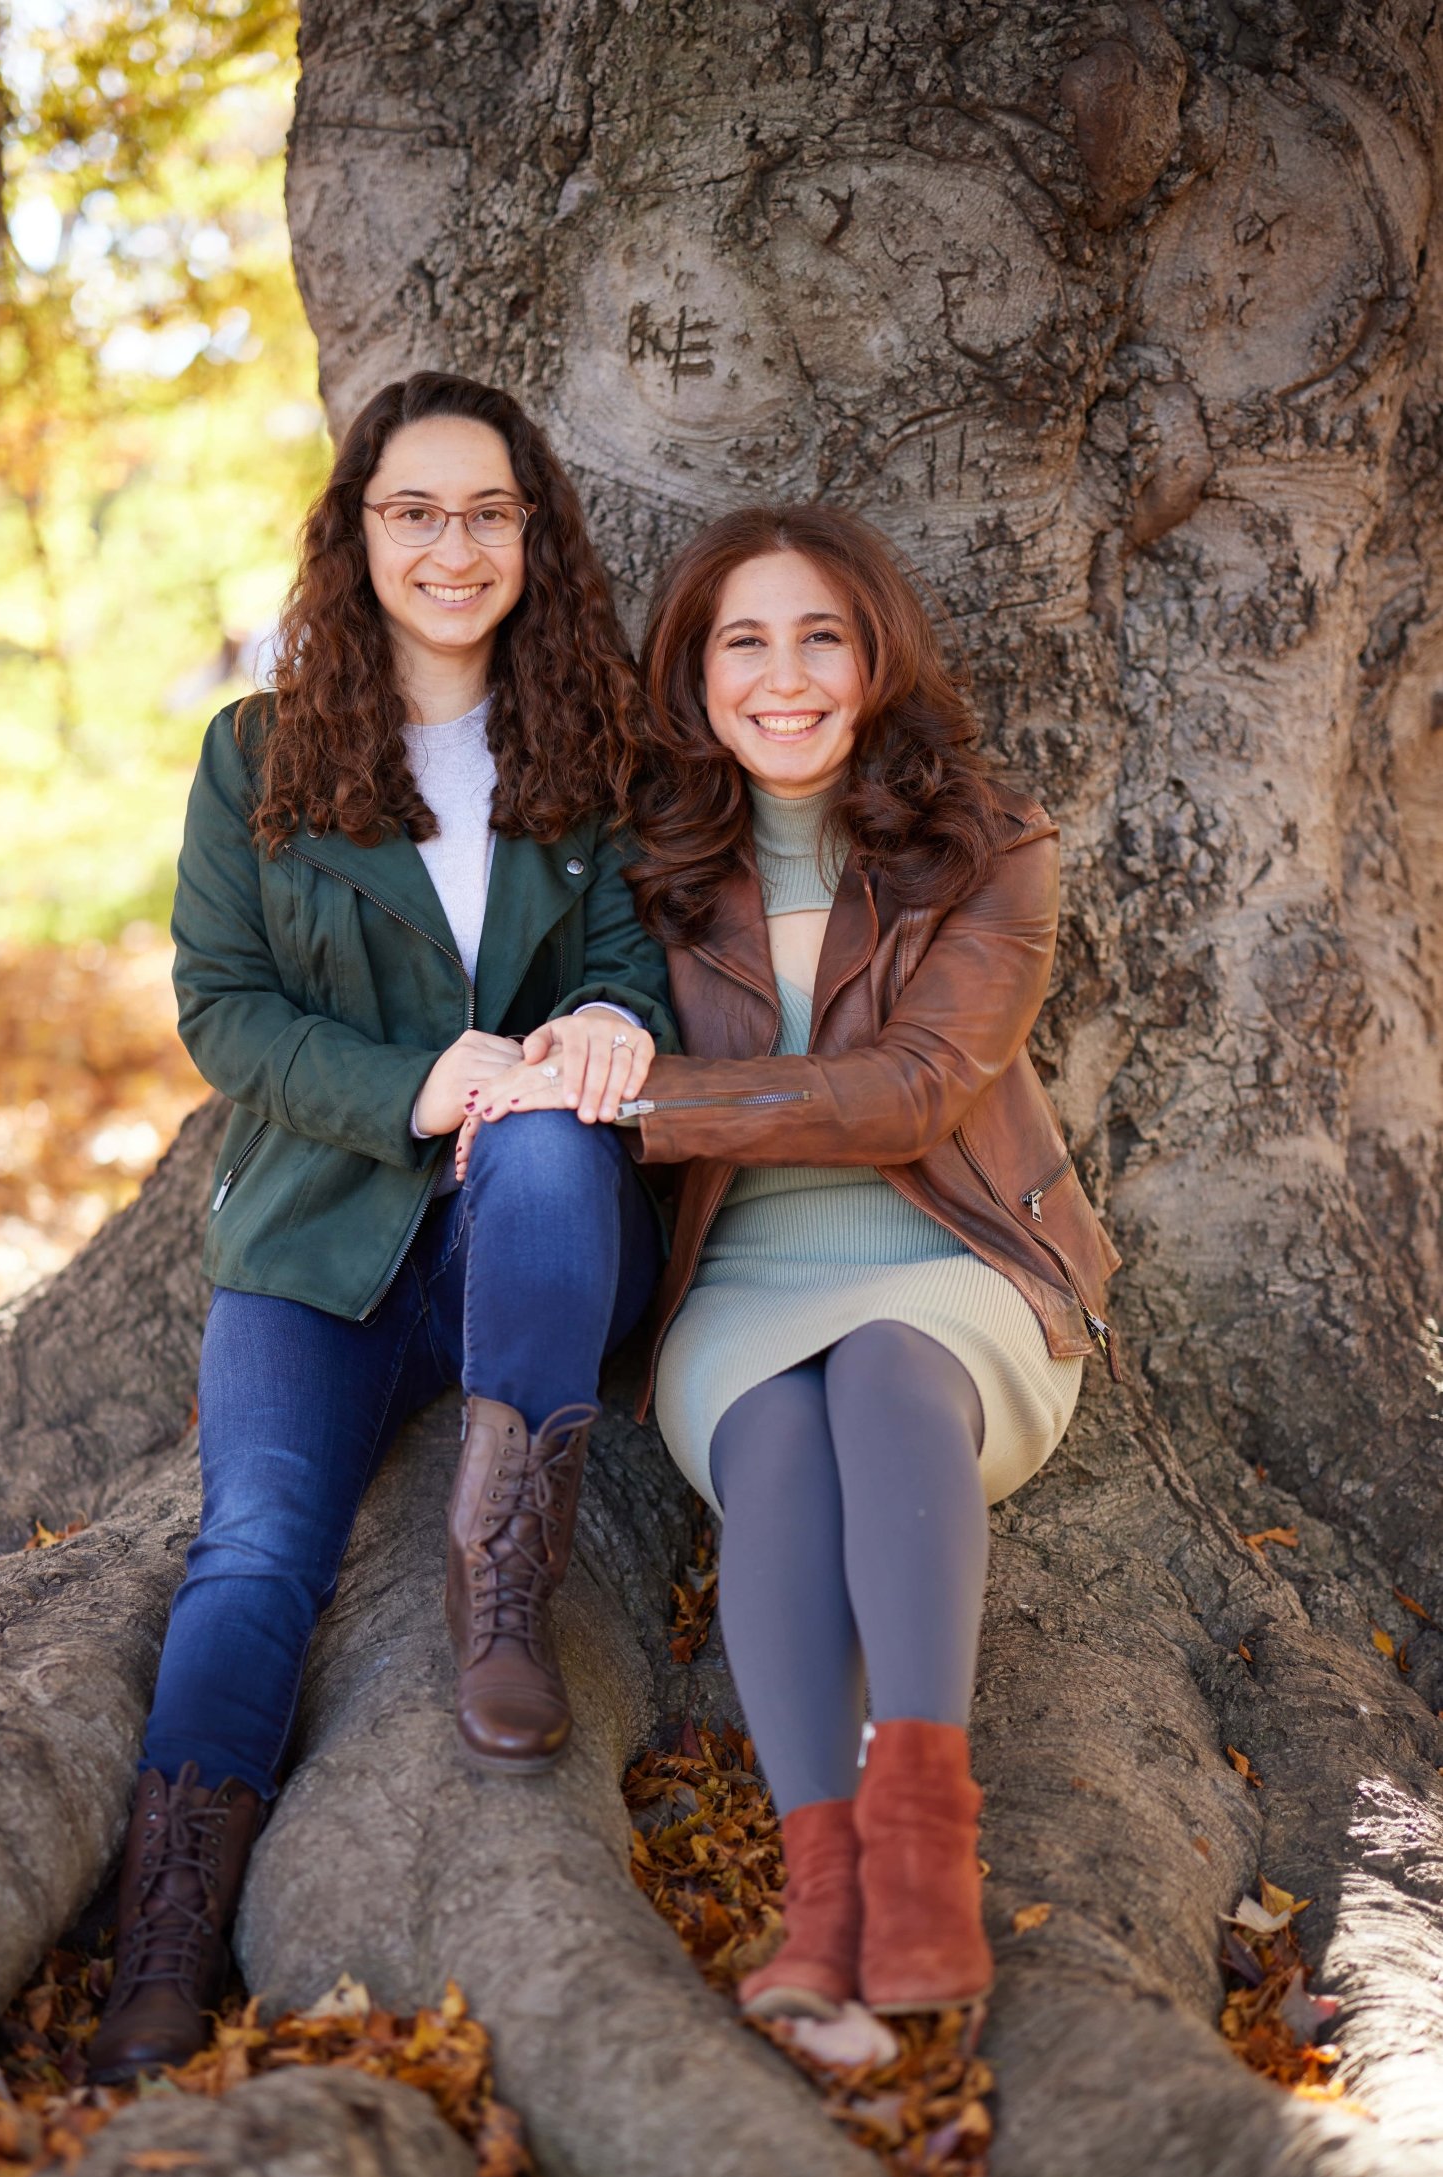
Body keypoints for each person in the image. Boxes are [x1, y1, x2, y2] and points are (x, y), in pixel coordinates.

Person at [87, 372, 674, 2085]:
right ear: (356, 536)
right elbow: (224, 1009)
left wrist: (604, 1028)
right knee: (257, 1547)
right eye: (413, 510)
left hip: (541, 1247)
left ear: (534, 537)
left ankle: (507, 1586)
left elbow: (637, 963)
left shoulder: (599, 748)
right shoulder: (258, 756)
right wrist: (423, 1084)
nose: (452, 545)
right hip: (323, 1242)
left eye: (488, 512)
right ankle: (167, 1926)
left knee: (553, 1142)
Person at [462, 504, 1119, 2026]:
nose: (785, 676)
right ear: (693, 676)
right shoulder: (639, 865)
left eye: (821, 634)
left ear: (876, 654)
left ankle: (922, 1854)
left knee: (889, 1370)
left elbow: (911, 1094)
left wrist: (653, 1100)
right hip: (737, 1283)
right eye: (743, 642)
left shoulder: (989, 848)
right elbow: (573, 1042)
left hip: (958, 1257)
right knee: (771, 1438)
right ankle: (820, 1903)